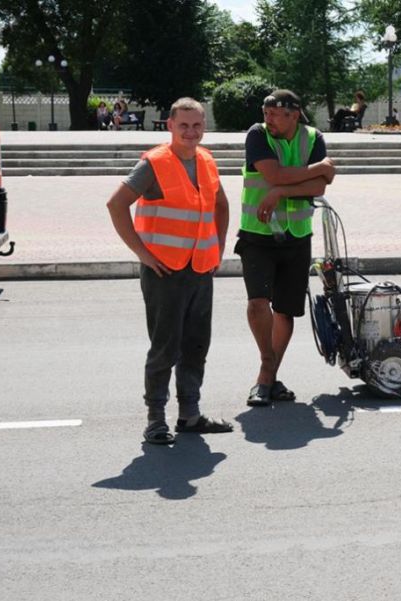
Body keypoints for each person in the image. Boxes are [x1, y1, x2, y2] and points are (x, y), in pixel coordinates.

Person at [106, 97, 233, 445]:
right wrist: (142, 254)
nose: (191, 132)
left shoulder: (206, 161)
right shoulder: (155, 163)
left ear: (204, 126)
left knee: (195, 346)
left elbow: (221, 205)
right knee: (165, 348)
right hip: (164, 271)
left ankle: (190, 415)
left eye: (197, 125)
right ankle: (155, 420)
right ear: (170, 127)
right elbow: (116, 205)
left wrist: (218, 247)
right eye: (184, 126)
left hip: (200, 268)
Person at [237, 89, 335, 406]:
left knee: (285, 311)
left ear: (294, 114)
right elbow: (277, 173)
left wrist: (279, 191)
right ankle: (268, 372)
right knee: (257, 304)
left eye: (274, 114)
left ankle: (267, 379)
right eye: (266, 113)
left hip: (297, 236)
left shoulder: (313, 137)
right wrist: (314, 170)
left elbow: (319, 188)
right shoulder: (257, 134)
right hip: (258, 234)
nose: (268, 119)